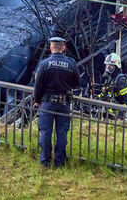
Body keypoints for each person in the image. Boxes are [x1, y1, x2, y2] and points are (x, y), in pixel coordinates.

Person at [33, 36, 80, 168]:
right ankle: (60, 162)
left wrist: (37, 100)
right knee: (62, 133)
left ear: (51, 48)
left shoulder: (45, 64)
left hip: (47, 103)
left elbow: (38, 85)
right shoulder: (71, 64)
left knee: (46, 132)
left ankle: (45, 161)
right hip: (64, 103)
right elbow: (77, 83)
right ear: (63, 48)